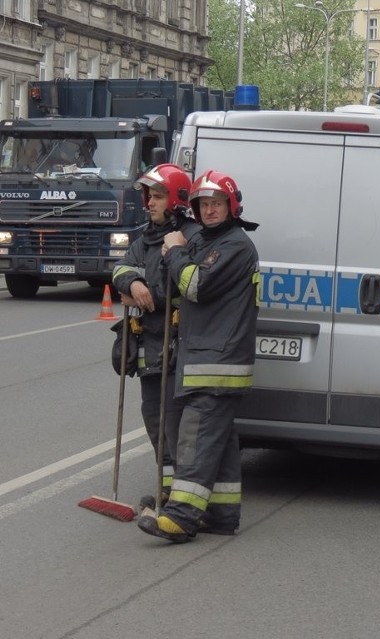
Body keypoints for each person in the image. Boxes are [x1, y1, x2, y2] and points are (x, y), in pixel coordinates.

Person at [137, 169, 260, 542]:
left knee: (194, 438)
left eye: (216, 204)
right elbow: (166, 283)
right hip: (207, 358)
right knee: (218, 442)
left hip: (216, 362)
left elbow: (194, 286)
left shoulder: (235, 245)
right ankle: (220, 514)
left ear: (231, 206)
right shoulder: (211, 242)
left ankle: (181, 516)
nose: (208, 211)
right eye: (203, 204)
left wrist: (175, 250)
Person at [112, 164, 200, 507]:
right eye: (148, 195)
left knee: (175, 424)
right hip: (149, 345)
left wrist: (147, 294)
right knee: (155, 420)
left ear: (176, 200)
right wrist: (131, 283)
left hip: (177, 347)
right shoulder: (146, 237)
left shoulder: (190, 239)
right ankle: (166, 489)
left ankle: (181, 496)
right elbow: (122, 267)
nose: (149, 202)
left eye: (158, 196)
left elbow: (177, 287)